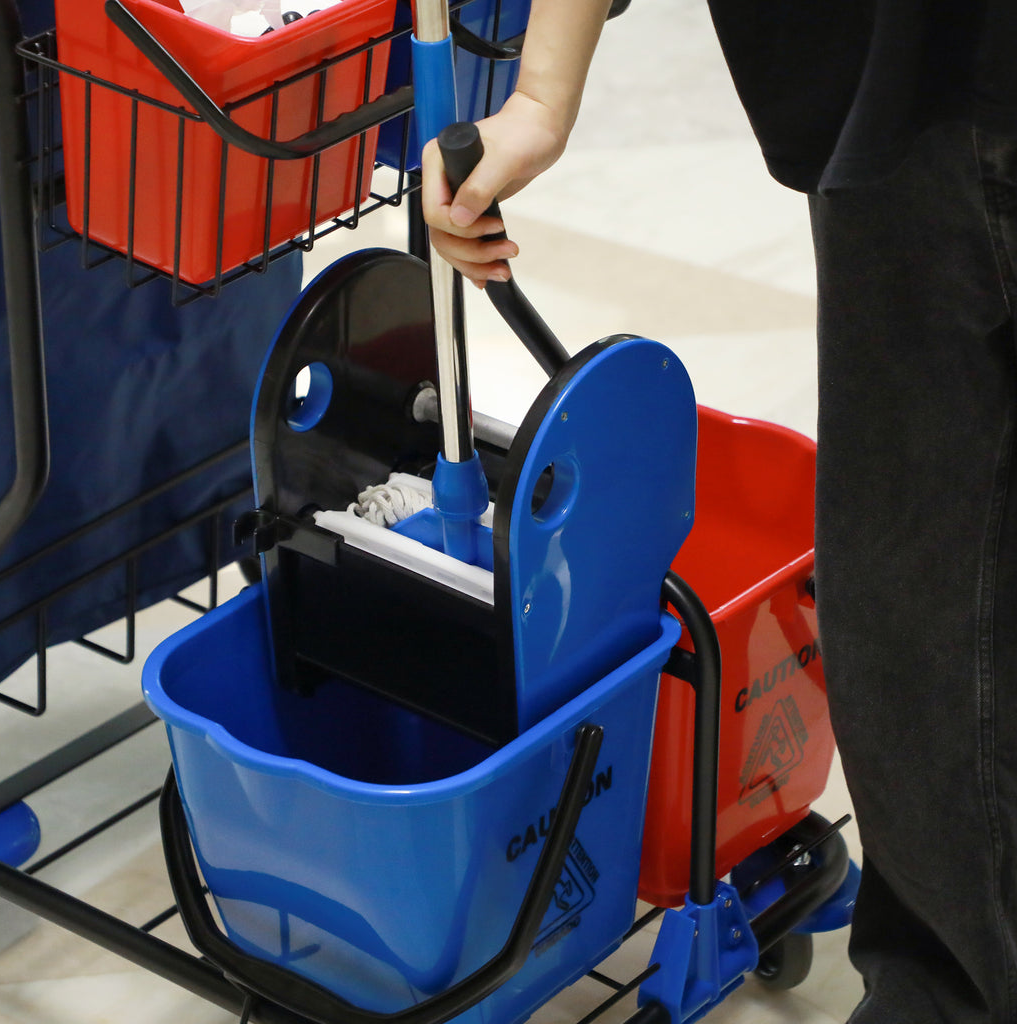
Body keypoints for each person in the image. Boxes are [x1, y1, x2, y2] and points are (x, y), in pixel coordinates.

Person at [422, 2, 1017, 1022]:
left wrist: (543, 96)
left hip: (919, 92)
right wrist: (539, 98)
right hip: (915, 88)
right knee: (917, 575)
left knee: (920, 571)